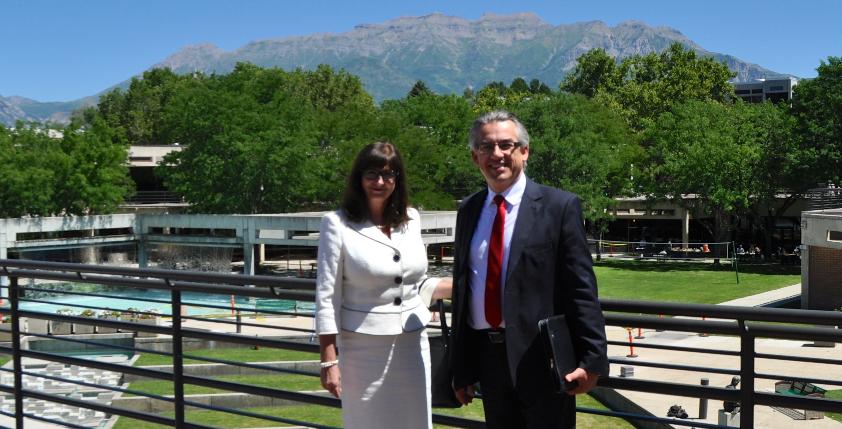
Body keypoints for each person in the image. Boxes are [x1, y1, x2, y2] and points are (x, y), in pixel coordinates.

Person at [449, 111, 608, 428]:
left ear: (525, 151)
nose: (497, 154)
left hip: (543, 358)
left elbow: (580, 288)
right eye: (486, 146)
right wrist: (462, 367)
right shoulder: (468, 210)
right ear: (474, 156)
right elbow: (465, 289)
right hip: (488, 360)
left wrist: (593, 360)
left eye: (506, 145)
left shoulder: (559, 207)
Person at [315, 142, 452, 429]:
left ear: (398, 180)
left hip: (412, 343)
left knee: (416, 421)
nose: (380, 182)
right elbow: (326, 296)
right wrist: (329, 360)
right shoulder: (336, 224)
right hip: (362, 348)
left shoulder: (412, 220)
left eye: (389, 175)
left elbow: (411, 283)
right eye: (372, 174)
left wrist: (459, 286)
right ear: (358, 178)